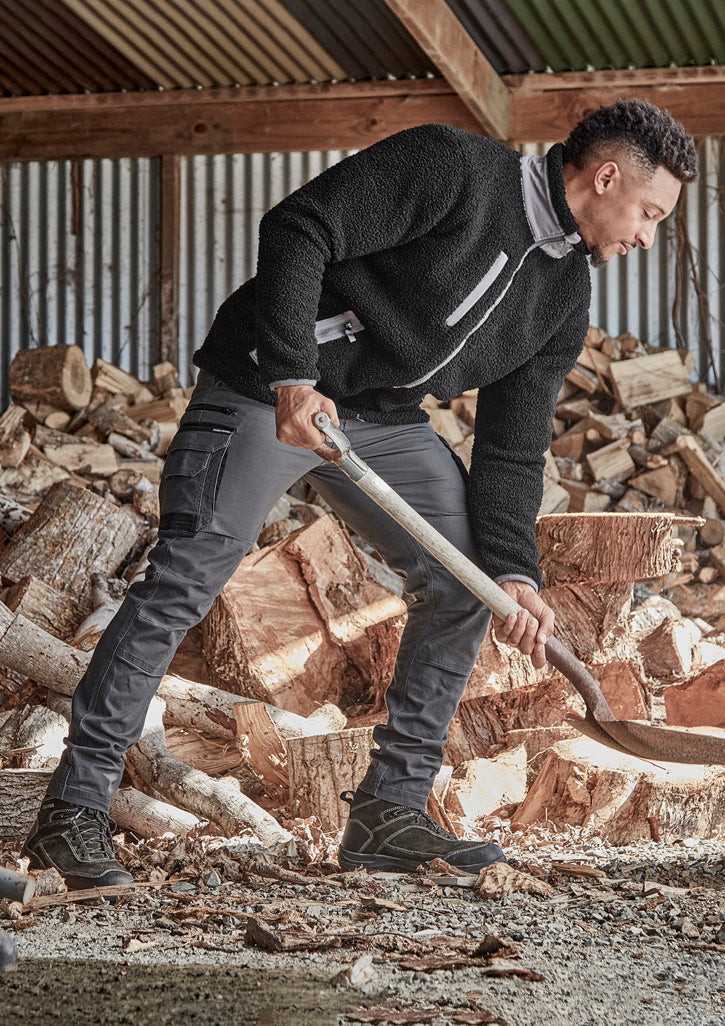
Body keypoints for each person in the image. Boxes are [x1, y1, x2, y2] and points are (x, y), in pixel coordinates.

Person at [22, 98, 696, 888]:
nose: (645, 237)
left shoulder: (562, 293)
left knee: (464, 582)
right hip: (265, 388)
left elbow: (512, 445)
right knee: (184, 580)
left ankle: (389, 812)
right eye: (649, 214)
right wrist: (291, 376)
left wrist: (513, 571)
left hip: (379, 420)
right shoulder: (454, 169)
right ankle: (74, 808)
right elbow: (299, 227)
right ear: (606, 178)